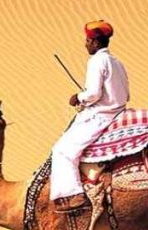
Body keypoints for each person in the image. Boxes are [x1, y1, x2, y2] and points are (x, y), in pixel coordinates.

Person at [50, 21, 129, 213]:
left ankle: (73, 195)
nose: (85, 44)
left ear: (95, 42)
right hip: (117, 112)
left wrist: (78, 97)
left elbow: (93, 94)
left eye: (87, 40)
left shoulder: (96, 62)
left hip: (101, 116)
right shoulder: (117, 63)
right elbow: (126, 95)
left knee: (62, 150)